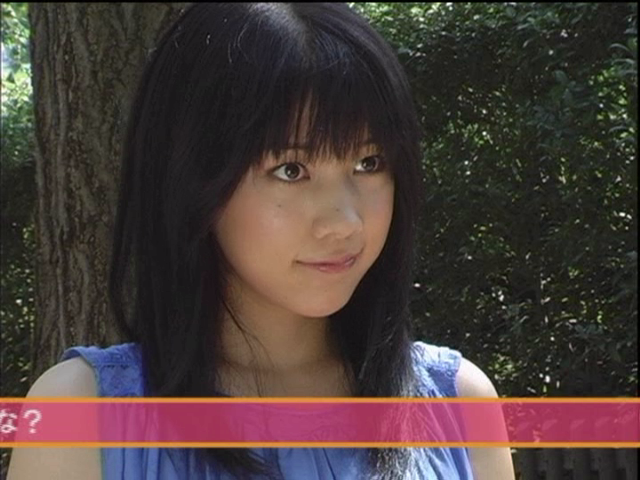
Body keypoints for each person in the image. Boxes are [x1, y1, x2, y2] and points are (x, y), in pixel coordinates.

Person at [8, 3, 515, 479]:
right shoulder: (78, 415)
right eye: (291, 170)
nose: (343, 222)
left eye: (369, 163)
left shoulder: (459, 404)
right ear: (190, 179)